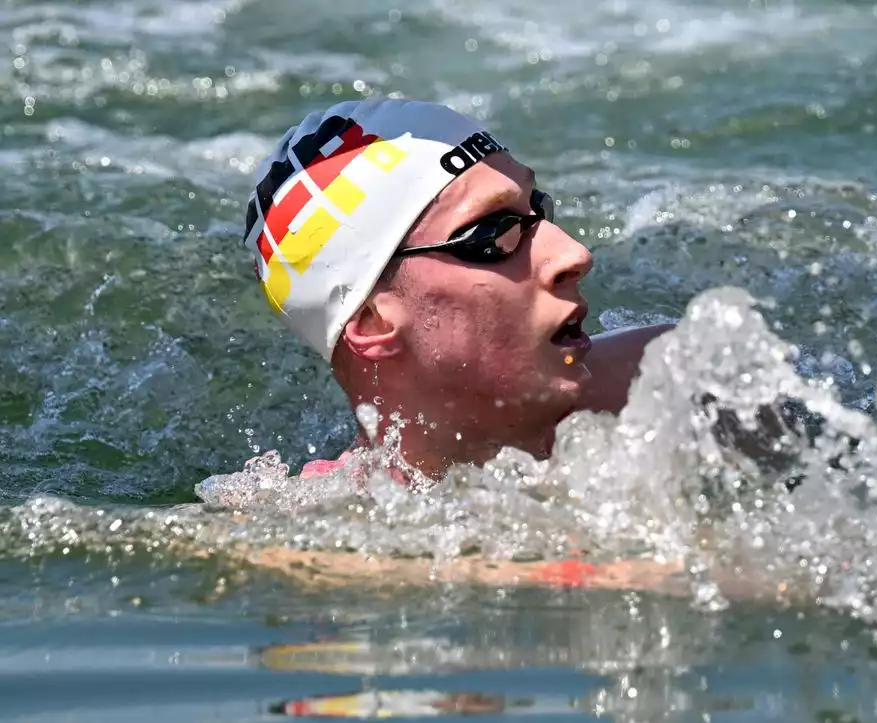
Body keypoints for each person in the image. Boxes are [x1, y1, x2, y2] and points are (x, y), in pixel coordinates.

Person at [232, 96, 800, 600]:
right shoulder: (311, 531)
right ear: (376, 321)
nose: (573, 253)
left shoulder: (684, 384)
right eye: (493, 234)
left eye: (538, 211)